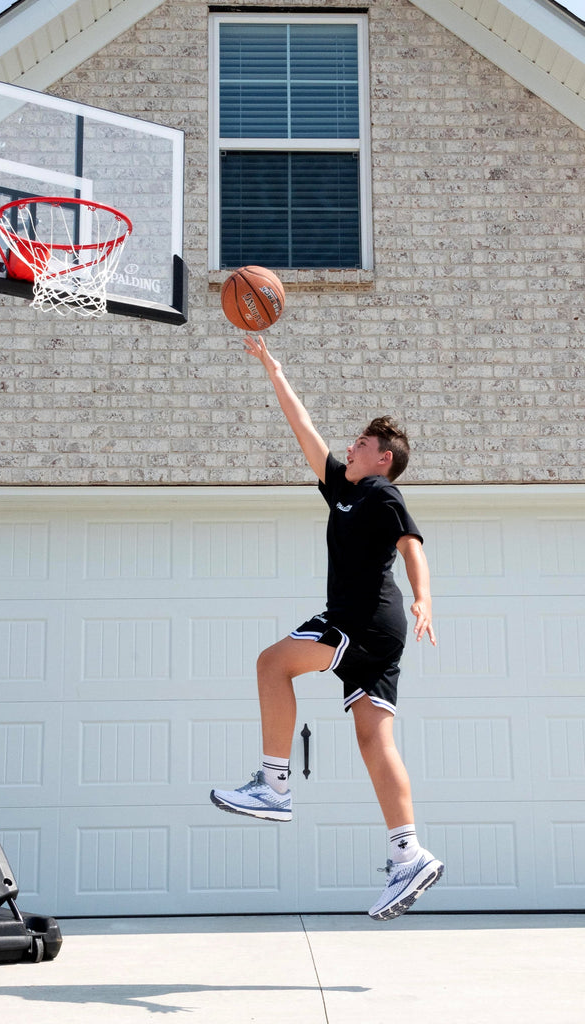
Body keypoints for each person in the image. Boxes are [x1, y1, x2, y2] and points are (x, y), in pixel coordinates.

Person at [210, 334, 443, 921]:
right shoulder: (342, 489)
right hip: (376, 634)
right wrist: (272, 367)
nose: (351, 445)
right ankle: (407, 852)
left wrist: (425, 599)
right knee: (374, 740)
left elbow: (412, 544)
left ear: (383, 457)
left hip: (362, 620)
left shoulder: (382, 494)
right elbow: (303, 428)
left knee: (271, 663)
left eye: (362, 443)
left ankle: (275, 785)